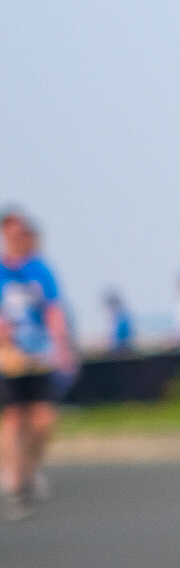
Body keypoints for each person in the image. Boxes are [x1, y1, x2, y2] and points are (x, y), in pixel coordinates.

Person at [1, 210, 75, 518]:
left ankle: (29, 469)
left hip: (39, 355)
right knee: (13, 418)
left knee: (43, 421)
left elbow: (53, 310)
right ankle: (16, 483)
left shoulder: (40, 269)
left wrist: (62, 346)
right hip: (8, 358)